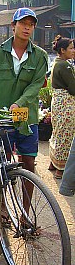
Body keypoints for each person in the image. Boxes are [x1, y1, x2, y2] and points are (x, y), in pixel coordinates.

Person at [0, 7, 48, 260]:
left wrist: (20, 103)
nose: (27, 27)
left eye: (32, 24)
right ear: (13, 26)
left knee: (27, 164)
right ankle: (3, 210)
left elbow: (37, 85)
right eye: (23, 23)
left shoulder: (39, 56)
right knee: (2, 168)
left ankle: (25, 214)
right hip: (1, 121)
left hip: (26, 119)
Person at [48, 36, 75, 179]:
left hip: (58, 102)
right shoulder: (65, 65)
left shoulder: (57, 62)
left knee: (58, 132)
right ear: (62, 50)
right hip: (66, 104)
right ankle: (61, 169)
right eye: (71, 48)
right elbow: (73, 88)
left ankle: (54, 162)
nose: (73, 50)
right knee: (67, 134)